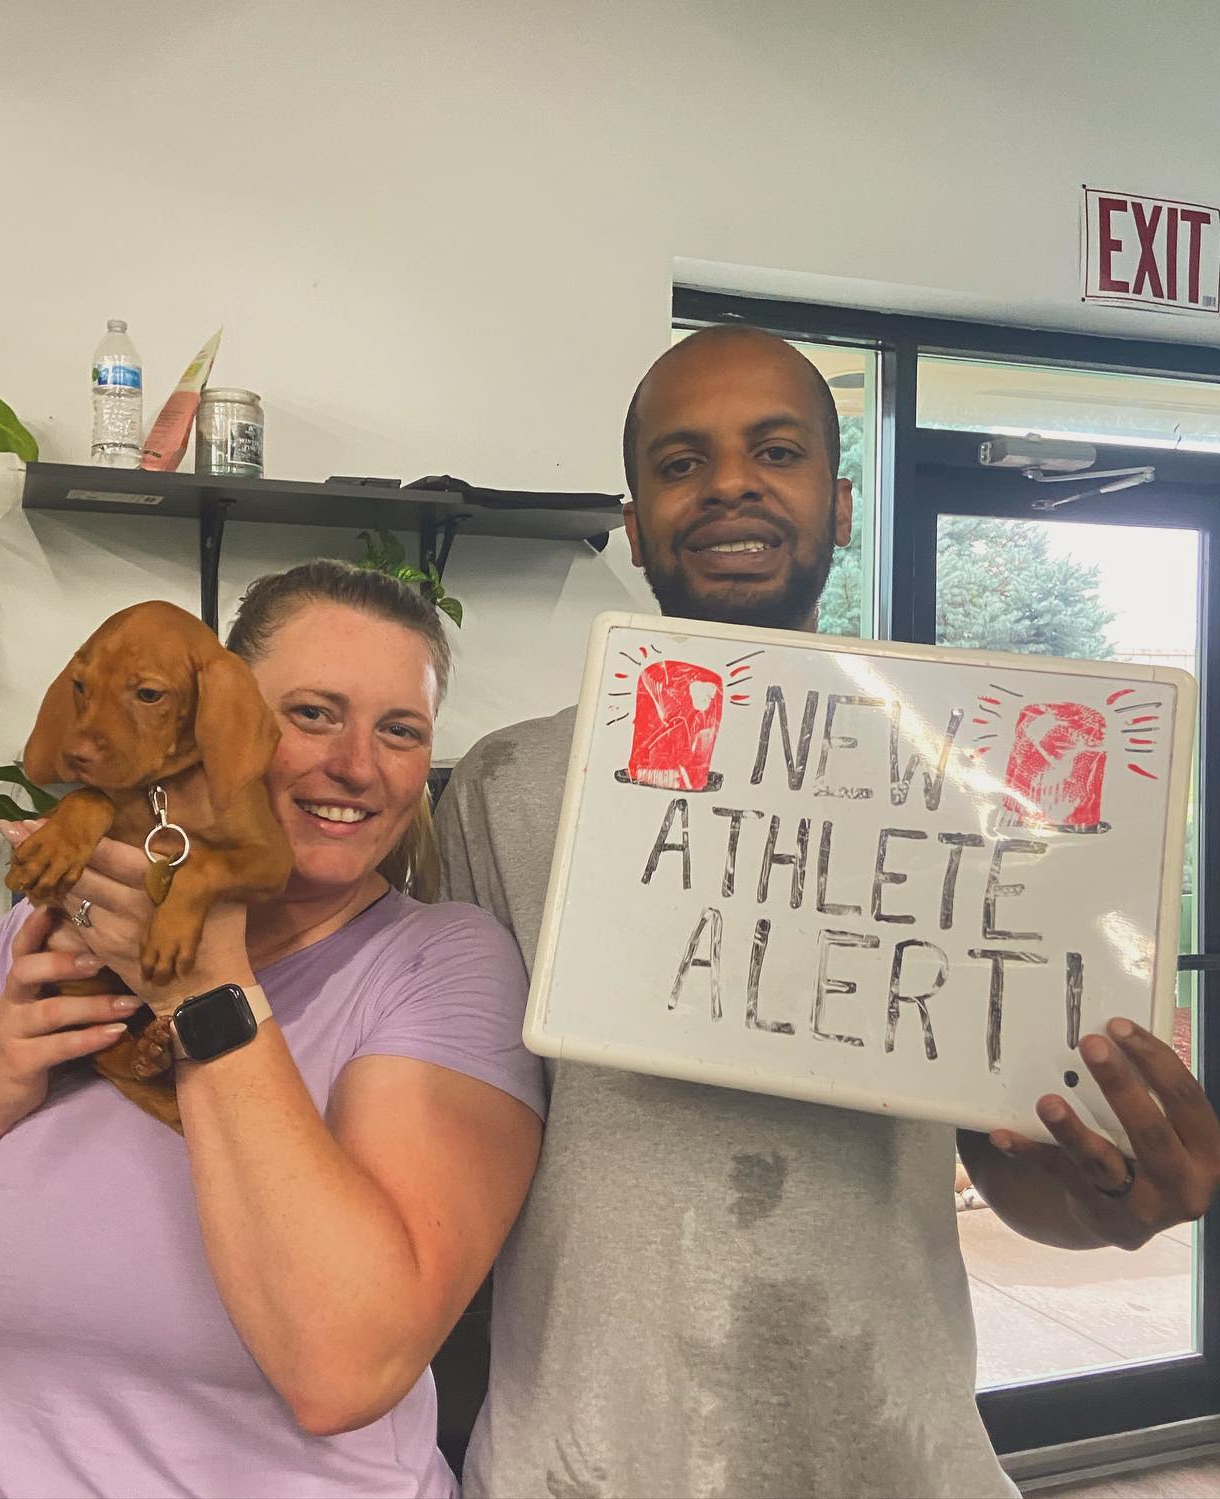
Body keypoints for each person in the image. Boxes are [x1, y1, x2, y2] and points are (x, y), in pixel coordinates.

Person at [436, 325, 1220, 1499]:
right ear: (636, 523)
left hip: (891, 1450)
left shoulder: (966, 789)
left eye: (778, 450)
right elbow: (455, 1157)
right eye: (682, 462)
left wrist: (1116, 1200)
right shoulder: (507, 788)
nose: (731, 484)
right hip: (582, 1462)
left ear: (840, 505)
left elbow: (1011, 1161)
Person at [0, 561, 545, 1499]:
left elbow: (344, 1369)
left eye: (400, 730)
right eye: (312, 714)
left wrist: (206, 985)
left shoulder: (439, 966)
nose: (356, 764)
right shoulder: (50, 939)